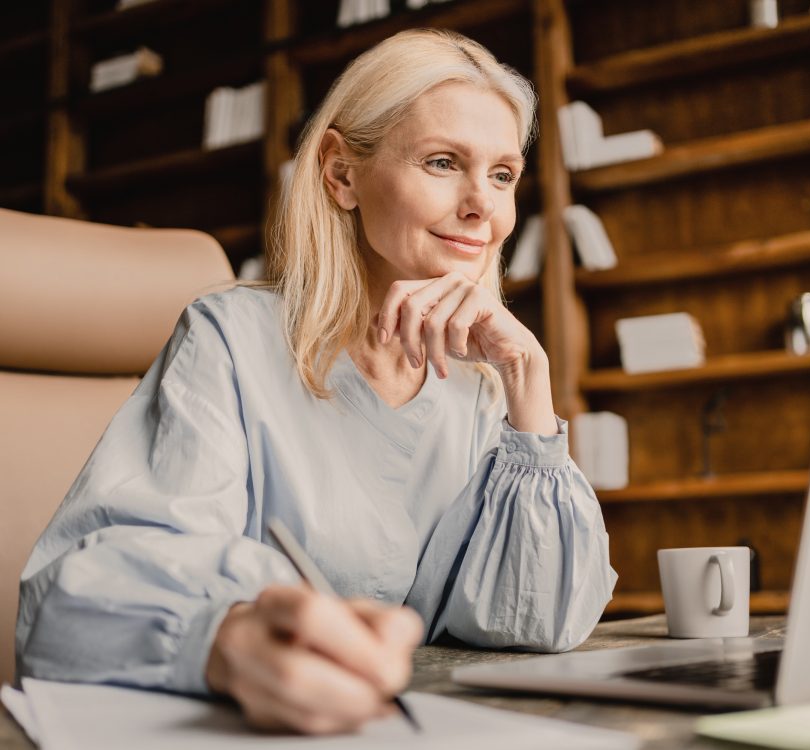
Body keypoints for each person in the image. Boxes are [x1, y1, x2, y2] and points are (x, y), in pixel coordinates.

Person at [16, 29, 616, 734]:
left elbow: (534, 621)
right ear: (341, 174)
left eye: (503, 174)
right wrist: (227, 641)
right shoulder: (232, 340)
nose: (482, 206)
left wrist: (529, 385)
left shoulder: (482, 395)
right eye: (443, 161)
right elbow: (71, 601)